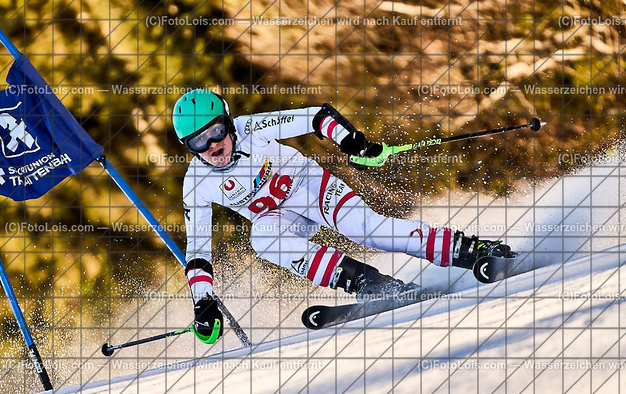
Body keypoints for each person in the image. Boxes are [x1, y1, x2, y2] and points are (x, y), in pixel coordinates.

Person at [172, 89, 511, 343]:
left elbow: (317, 117)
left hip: (309, 187)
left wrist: (351, 141)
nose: (212, 146)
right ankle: (371, 284)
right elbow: (198, 251)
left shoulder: (253, 128)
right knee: (262, 239)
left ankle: (474, 250)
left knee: (370, 231)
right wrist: (203, 303)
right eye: (198, 142)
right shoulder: (196, 183)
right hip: (277, 217)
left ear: (229, 123)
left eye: (216, 132)